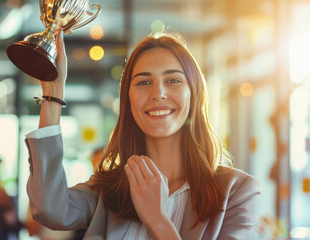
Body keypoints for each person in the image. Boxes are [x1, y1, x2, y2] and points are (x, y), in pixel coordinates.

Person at [24, 30, 261, 239]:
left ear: (194, 93)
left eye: (173, 80)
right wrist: (53, 96)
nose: (158, 93)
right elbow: (50, 209)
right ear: (129, 99)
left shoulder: (237, 192)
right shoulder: (111, 189)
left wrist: (157, 219)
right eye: (144, 82)